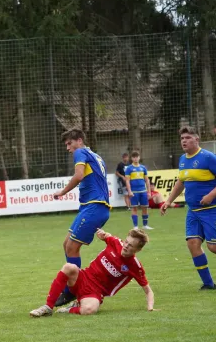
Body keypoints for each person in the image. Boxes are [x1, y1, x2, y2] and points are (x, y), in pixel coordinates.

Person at [161, 126, 216, 290]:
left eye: (188, 137)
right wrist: (168, 201)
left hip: (213, 210)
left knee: (214, 247)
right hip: (193, 211)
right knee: (192, 243)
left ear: (197, 139)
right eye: (182, 138)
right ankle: (208, 284)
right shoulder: (183, 159)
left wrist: (211, 195)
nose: (184, 141)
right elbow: (181, 182)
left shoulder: (208, 157)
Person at [29, 228, 154, 317]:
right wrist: (102, 234)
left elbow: (148, 290)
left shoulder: (135, 266)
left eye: (131, 245)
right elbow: (106, 236)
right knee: (69, 267)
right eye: (126, 242)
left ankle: (70, 309)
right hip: (83, 278)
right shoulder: (115, 242)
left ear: (138, 249)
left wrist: (150, 308)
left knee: (90, 309)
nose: (126, 246)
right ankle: (48, 307)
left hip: (95, 292)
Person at [51, 129, 111, 307]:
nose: (68, 148)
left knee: (71, 247)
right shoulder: (95, 155)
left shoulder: (81, 152)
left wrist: (62, 192)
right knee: (67, 244)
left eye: (70, 143)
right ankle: (72, 289)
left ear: (79, 140)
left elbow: (79, 176)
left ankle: (72, 291)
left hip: (95, 206)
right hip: (89, 207)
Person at [125, 151, 153, 230]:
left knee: (145, 207)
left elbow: (147, 180)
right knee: (134, 208)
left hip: (143, 191)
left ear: (139, 157)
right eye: (134, 157)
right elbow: (127, 180)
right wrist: (129, 191)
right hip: (134, 192)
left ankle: (145, 225)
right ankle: (135, 226)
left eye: (137, 157)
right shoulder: (129, 168)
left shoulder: (143, 168)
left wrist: (149, 192)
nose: (135, 158)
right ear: (131, 158)